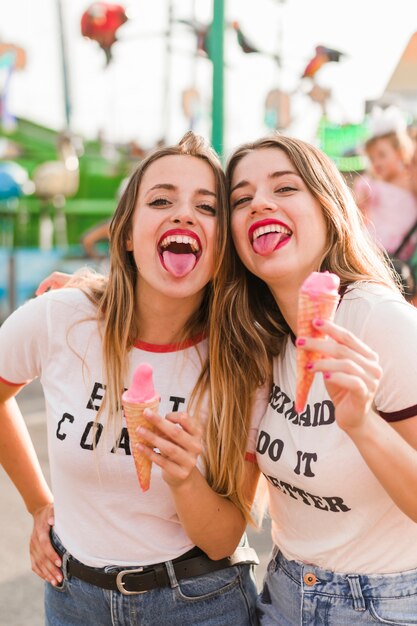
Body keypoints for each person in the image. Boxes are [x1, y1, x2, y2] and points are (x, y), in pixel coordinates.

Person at [0, 132, 263, 626]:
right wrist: (39, 505)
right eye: (161, 199)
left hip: (200, 602)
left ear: (224, 245)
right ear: (125, 233)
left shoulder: (243, 361)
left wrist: (184, 478)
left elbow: (223, 538)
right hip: (74, 598)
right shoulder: (61, 318)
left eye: (206, 207)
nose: (183, 213)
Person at [211, 134, 417, 625]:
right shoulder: (259, 335)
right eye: (241, 199)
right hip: (282, 590)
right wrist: (91, 296)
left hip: (380, 606)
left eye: (284, 188)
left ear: (328, 208)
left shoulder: (375, 320)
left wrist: (362, 425)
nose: (259, 202)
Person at [353, 107, 417, 262]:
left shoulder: (411, 182)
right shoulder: (372, 185)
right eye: (372, 158)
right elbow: (356, 208)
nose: (376, 163)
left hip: (406, 249)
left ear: (400, 153)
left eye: (382, 155)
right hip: (379, 247)